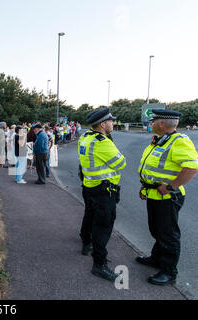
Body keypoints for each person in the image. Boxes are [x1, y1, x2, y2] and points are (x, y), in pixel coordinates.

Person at [137, 109, 198, 285]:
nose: (151, 123)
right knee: (156, 230)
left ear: (162, 123)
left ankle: (169, 272)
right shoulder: (160, 140)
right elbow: (153, 168)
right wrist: (145, 186)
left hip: (168, 198)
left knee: (168, 235)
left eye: (153, 121)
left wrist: (172, 186)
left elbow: (192, 168)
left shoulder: (179, 142)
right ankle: (156, 259)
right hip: (154, 194)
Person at [78, 108, 126, 281]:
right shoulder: (102, 142)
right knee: (103, 226)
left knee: (89, 216)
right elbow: (121, 163)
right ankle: (99, 265)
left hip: (89, 185)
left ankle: (86, 243)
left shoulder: (85, 137)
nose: (113, 123)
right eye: (111, 121)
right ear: (103, 124)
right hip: (104, 191)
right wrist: (110, 144)